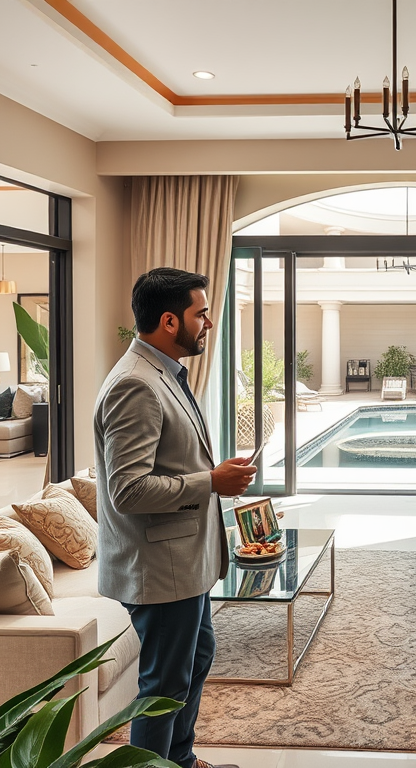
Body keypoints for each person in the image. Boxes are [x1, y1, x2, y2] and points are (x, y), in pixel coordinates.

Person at [94, 267, 257, 768]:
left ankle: (180, 760)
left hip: (184, 564)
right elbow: (128, 490)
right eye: (200, 313)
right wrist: (211, 482)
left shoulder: (165, 373)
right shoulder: (135, 386)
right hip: (159, 570)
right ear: (169, 320)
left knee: (196, 661)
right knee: (163, 684)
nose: (208, 322)